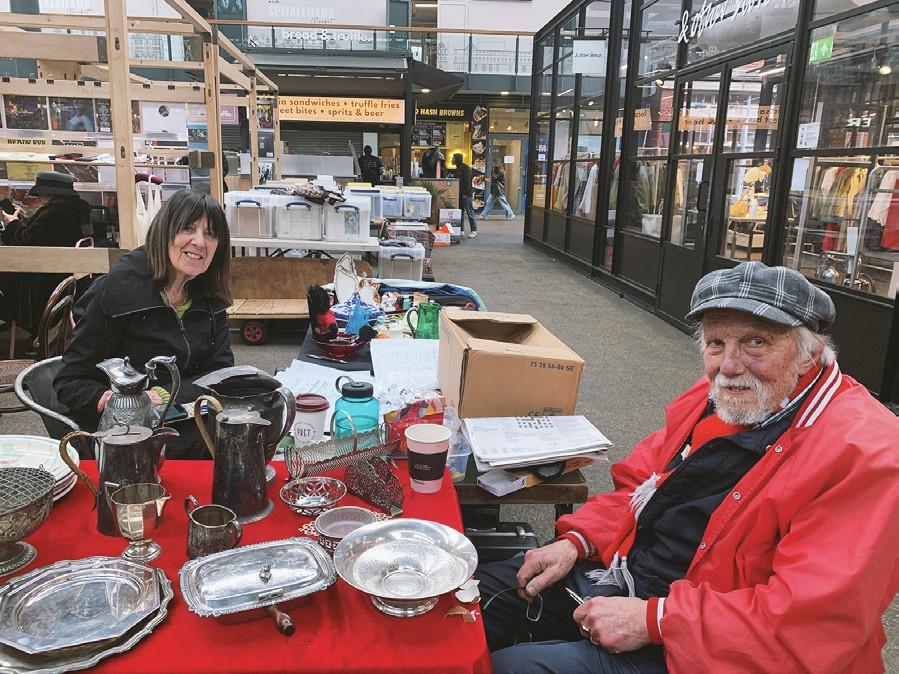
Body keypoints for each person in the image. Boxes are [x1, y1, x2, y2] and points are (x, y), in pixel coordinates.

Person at [476, 261, 899, 674]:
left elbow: (809, 624)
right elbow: (643, 483)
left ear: (810, 354)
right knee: (480, 600)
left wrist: (655, 620)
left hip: (719, 647)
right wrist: (578, 541)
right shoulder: (721, 396)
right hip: (636, 582)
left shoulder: (866, 452)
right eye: (716, 344)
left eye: (755, 342)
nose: (728, 366)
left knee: (512, 667)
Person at [54, 189, 234, 459]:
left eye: (210, 234)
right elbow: (69, 381)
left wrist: (162, 395)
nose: (199, 242)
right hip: (123, 440)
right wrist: (114, 400)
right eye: (188, 228)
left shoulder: (209, 297)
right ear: (164, 232)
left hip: (186, 423)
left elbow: (221, 372)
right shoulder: (116, 290)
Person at [0, 171, 92, 334]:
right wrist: (24, 221)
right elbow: (44, 236)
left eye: (40, 195)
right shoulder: (74, 209)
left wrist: (13, 223)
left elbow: (27, 241)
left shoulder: (56, 212)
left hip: (41, 282)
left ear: (49, 193)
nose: (39, 199)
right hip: (62, 273)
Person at [451, 153, 477, 239]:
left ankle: (474, 230)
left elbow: (467, 182)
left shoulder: (465, 168)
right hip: (460, 194)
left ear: (457, 159)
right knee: (460, 212)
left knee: (470, 212)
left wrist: (465, 193)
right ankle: (461, 230)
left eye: (453, 158)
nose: (452, 160)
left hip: (466, 195)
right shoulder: (458, 168)